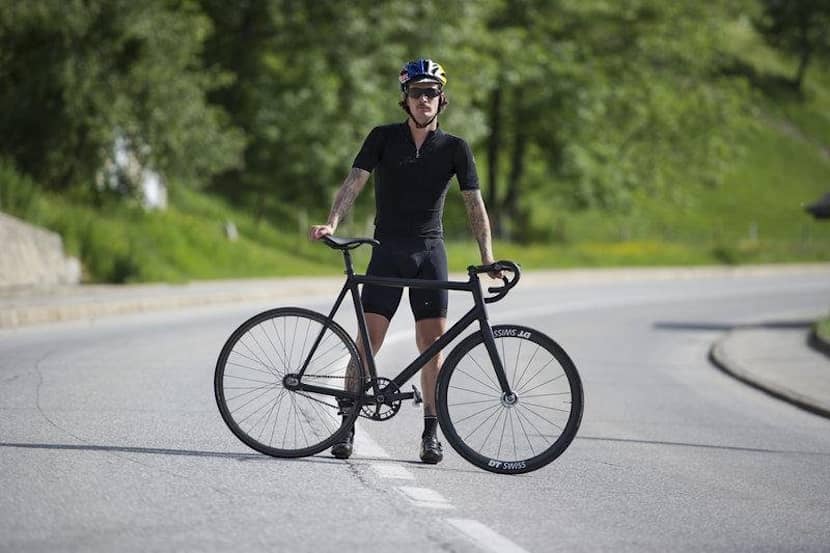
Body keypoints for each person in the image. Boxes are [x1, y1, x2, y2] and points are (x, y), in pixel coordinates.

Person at [309, 58, 498, 464]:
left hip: (429, 253)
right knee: (368, 342)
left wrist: (488, 257)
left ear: (441, 100)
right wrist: (331, 222)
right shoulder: (383, 138)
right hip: (387, 250)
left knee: (432, 346)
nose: (424, 99)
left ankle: (430, 433)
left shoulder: (455, 148)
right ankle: (346, 427)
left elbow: (474, 206)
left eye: (431, 92)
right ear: (406, 100)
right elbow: (353, 182)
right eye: (417, 93)